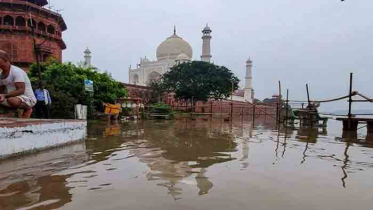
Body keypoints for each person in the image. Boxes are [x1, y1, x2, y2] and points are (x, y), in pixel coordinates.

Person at [0, 50, 36, 118]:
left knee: (12, 100)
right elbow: (1, 90)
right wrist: (2, 95)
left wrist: (4, 95)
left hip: (27, 99)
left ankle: (28, 109)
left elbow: (21, 90)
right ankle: (9, 113)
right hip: (12, 97)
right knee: (9, 99)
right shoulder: (1, 74)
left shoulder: (16, 71)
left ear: (5, 59)